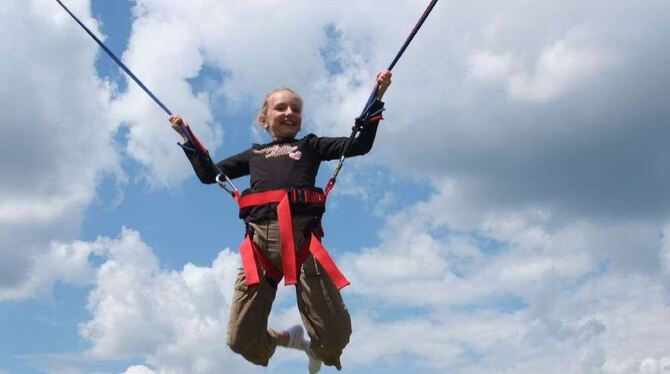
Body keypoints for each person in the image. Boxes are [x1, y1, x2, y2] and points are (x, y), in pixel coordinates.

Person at [169, 70, 392, 372]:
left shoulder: (311, 146)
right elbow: (210, 174)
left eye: (296, 109)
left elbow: (359, 144)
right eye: (281, 108)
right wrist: (188, 137)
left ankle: (317, 348)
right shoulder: (254, 154)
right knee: (240, 340)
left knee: (336, 337)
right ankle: (285, 338)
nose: (290, 113)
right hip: (260, 247)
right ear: (263, 119)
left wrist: (376, 98)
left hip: (303, 244)